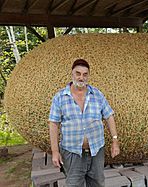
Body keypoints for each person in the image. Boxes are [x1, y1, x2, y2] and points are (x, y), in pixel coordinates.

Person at [48, 59, 120, 187]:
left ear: (88, 75)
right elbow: (53, 124)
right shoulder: (60, 97)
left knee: (97, 183)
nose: (81, 77)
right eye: (78, 73)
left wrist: (115, 141)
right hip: (72, 152)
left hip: (96, 150)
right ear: (72, 74)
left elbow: (109, 116)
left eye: (85, 74)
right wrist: (55, 151)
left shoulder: (97, 94)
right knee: (74, 184)